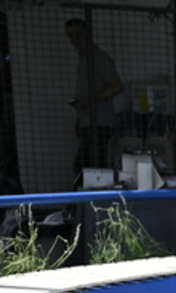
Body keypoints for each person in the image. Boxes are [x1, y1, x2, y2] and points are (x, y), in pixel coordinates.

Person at [65, 18, 123, 175]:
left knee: (87, 168)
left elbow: (117, 86)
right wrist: (80, 118)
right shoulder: (83, 60)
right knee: (89, 168)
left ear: (88, 34)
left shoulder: (99, 57)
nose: (75, 39)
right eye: (71, 36)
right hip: (88, 123)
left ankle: (89, 199)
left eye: (79, 34)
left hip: (100, 124)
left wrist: (90, 101)